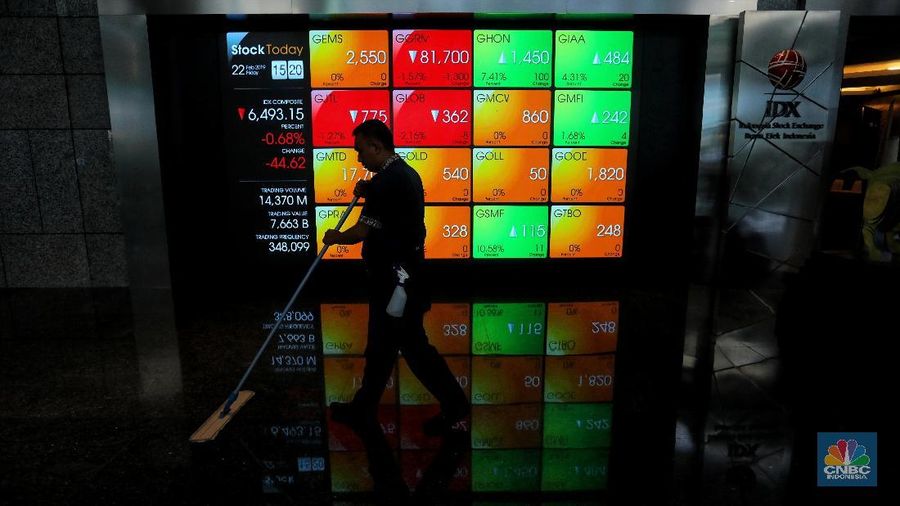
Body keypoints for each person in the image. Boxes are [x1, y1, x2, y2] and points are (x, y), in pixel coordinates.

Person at [322, 119, 469, 435]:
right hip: (405, 277)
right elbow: (395, 213)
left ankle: (456, 405)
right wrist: (369, 190)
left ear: (376, 146)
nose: (359, 159)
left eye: (361, 151)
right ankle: (363, 408)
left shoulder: (385, 183)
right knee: (381, 346)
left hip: (395, 284)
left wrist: (335, 237)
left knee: (412, 347)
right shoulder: (405, 174)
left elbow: (362, 231)